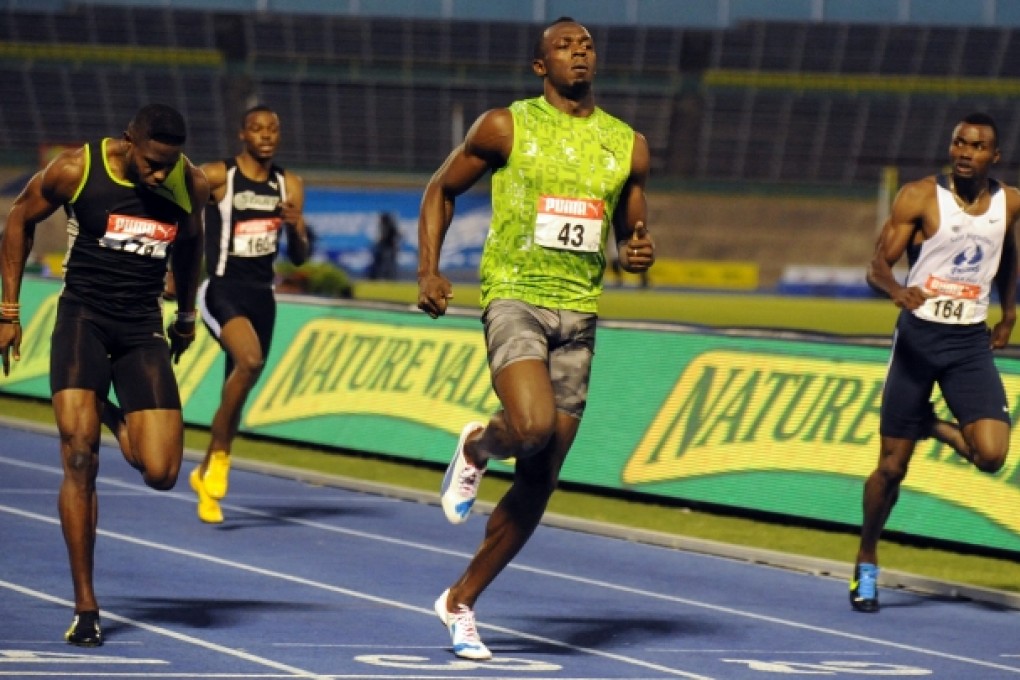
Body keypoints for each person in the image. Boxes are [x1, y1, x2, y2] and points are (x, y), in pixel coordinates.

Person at [416, 17, 654, 660]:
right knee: (530, 427)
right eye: (564, 46)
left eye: (587, 44)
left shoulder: (626, 144)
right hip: (516, 297)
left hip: (581, 313)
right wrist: (430, 268)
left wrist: (638, 251)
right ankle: (479, 442)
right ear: (539, 66)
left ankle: (460, 602)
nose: (580, 51)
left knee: (542, 477)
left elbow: (631, 227)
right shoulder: (505, 125)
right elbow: (442, 189)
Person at [0, 104, 208, 645]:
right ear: (128, 142)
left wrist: (186, 315)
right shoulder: (77, 169)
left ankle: (104, 410)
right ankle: (87, 606)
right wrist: (8, 312)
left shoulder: (191, 183)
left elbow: (190, 247)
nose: (160, 174)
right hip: (83, 321)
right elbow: (20, 218)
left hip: (141, 328)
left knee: (160, 470)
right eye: (152, 164)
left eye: (169, 164)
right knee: (77, 457)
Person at [853, 111, 1020, 613]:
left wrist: (1008, 312)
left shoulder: (1010, 202)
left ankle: (927, 424)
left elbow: (1009, 254)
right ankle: (866, 558)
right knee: (891, 467)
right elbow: (877, 264)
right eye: (958, 143)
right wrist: (896, 290)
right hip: (918, 343)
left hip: (968, 343)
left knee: (991, 454)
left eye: (977, 146)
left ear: (994, 155)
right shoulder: (920, 197)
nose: (965, 152)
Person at [188, 104, 309, 524]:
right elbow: (182, 210)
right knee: (250, 360)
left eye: (273, 129)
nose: (266, 135)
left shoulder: (289, 184)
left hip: (262, 297)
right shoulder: (219, 176)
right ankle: (220, 457)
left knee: (236, 392)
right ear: (242, 134)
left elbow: (299, 258)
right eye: (257, 129)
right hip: (222, 290)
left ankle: (204, 476)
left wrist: (296, 227)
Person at [369, 211, 400, 279]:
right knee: (382, 263)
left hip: (389, 248)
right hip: (384, 247)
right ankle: (382, 276)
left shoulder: (390, 226)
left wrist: (394, 243)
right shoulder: (383, 226)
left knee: (387, 263)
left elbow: (398, 236)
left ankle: (387, 277)